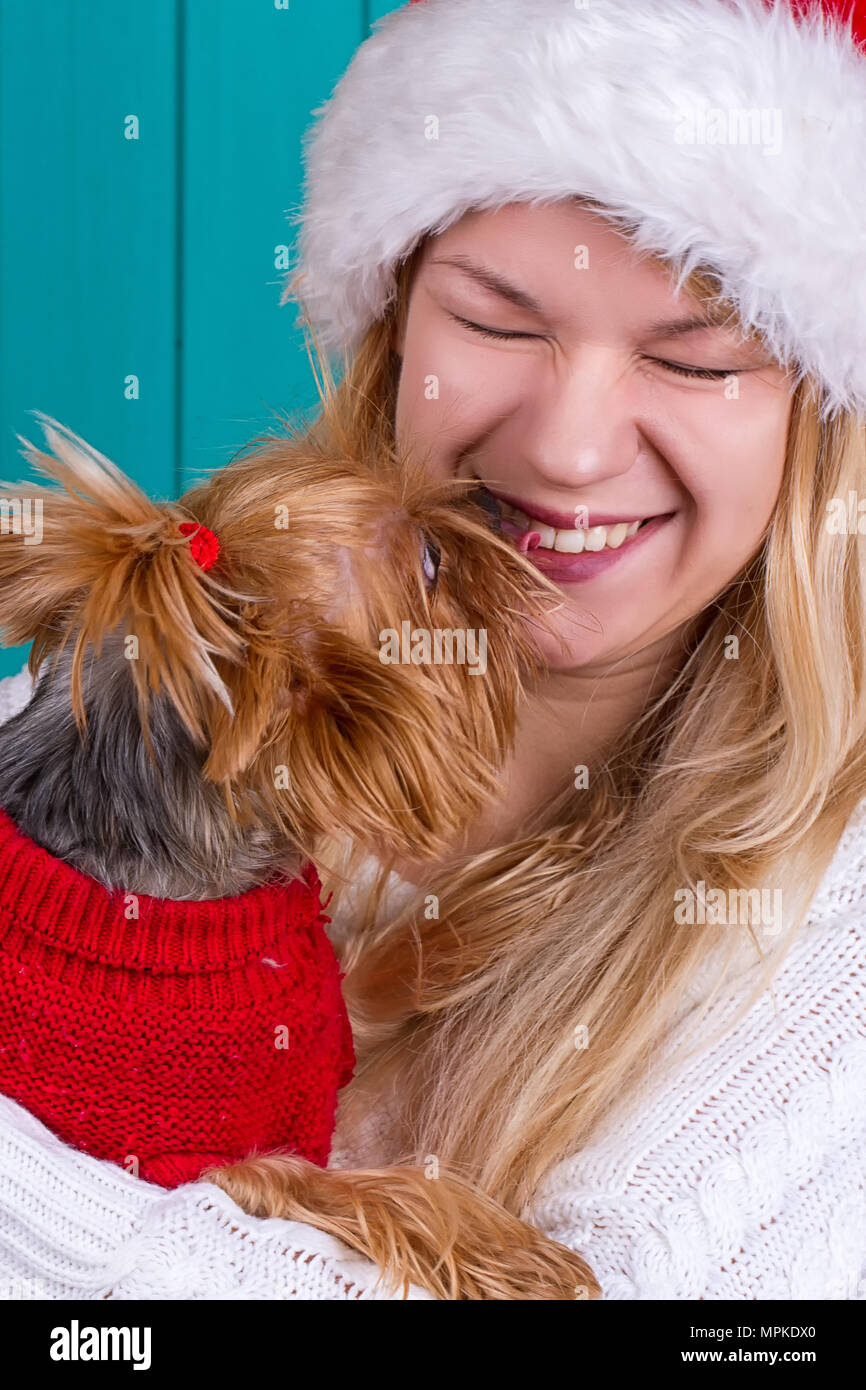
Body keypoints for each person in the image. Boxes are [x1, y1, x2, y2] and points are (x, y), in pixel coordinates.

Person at [1, 0, 865, 1300]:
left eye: (692, 359)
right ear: (394, 317)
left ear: (816, 404)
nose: (570, 451)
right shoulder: (140, 677)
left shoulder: (822, 948)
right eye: (501, 323)